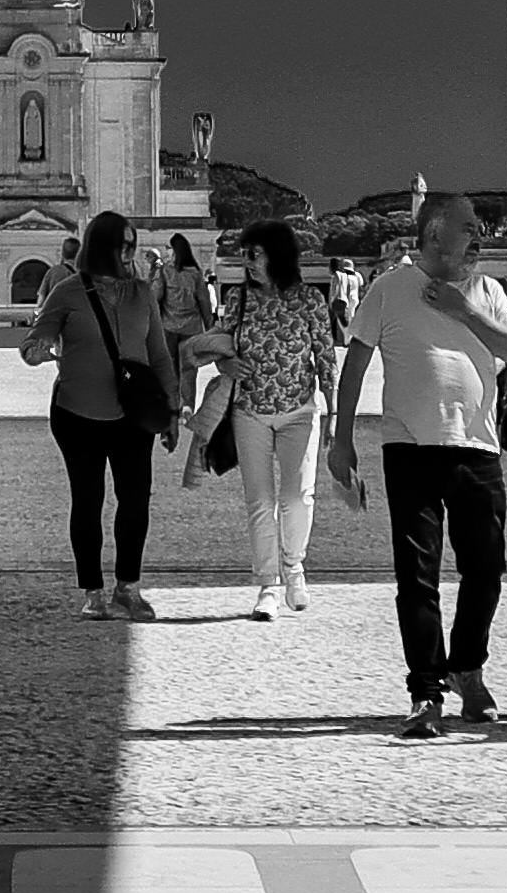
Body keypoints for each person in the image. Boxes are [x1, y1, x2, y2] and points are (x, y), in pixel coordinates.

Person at [326, 182, 507, 729]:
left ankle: (468, 666)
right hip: (410, 447)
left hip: (477, 448)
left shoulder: (486, 291)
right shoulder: (389, 288)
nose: (479, 237)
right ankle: (426, 692)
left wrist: (466, 311)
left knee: (486, 570)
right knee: (416, 576)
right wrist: (340, 437)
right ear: (436, 231)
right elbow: (355, 363)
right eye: (469, 227)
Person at [25, 206, 174, 617]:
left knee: (135, 500)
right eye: (121, 245)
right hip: (77, 414)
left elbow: (159, 355)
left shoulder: (142, 293)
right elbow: (36, 338)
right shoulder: (68, 291)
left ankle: (128, 587)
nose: (128, 253)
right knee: (88, 500)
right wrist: (35, 352)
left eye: (133, 245)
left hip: (133, 414)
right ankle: (92, 592)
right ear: (101, 247)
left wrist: (172, 410)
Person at [210, 215, 346, 620]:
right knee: (260, 502)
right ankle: (268, 584)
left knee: (297, 497)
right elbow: (220, 344)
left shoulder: (308, 300)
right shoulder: (238, 298)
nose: (247, 262)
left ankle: (295, 566)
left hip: (300, 412)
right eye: (244, 255)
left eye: (254, 254)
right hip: (249, 412)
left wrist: (334, 413)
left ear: (277, 255)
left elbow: (325, 358)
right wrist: (225, 365)